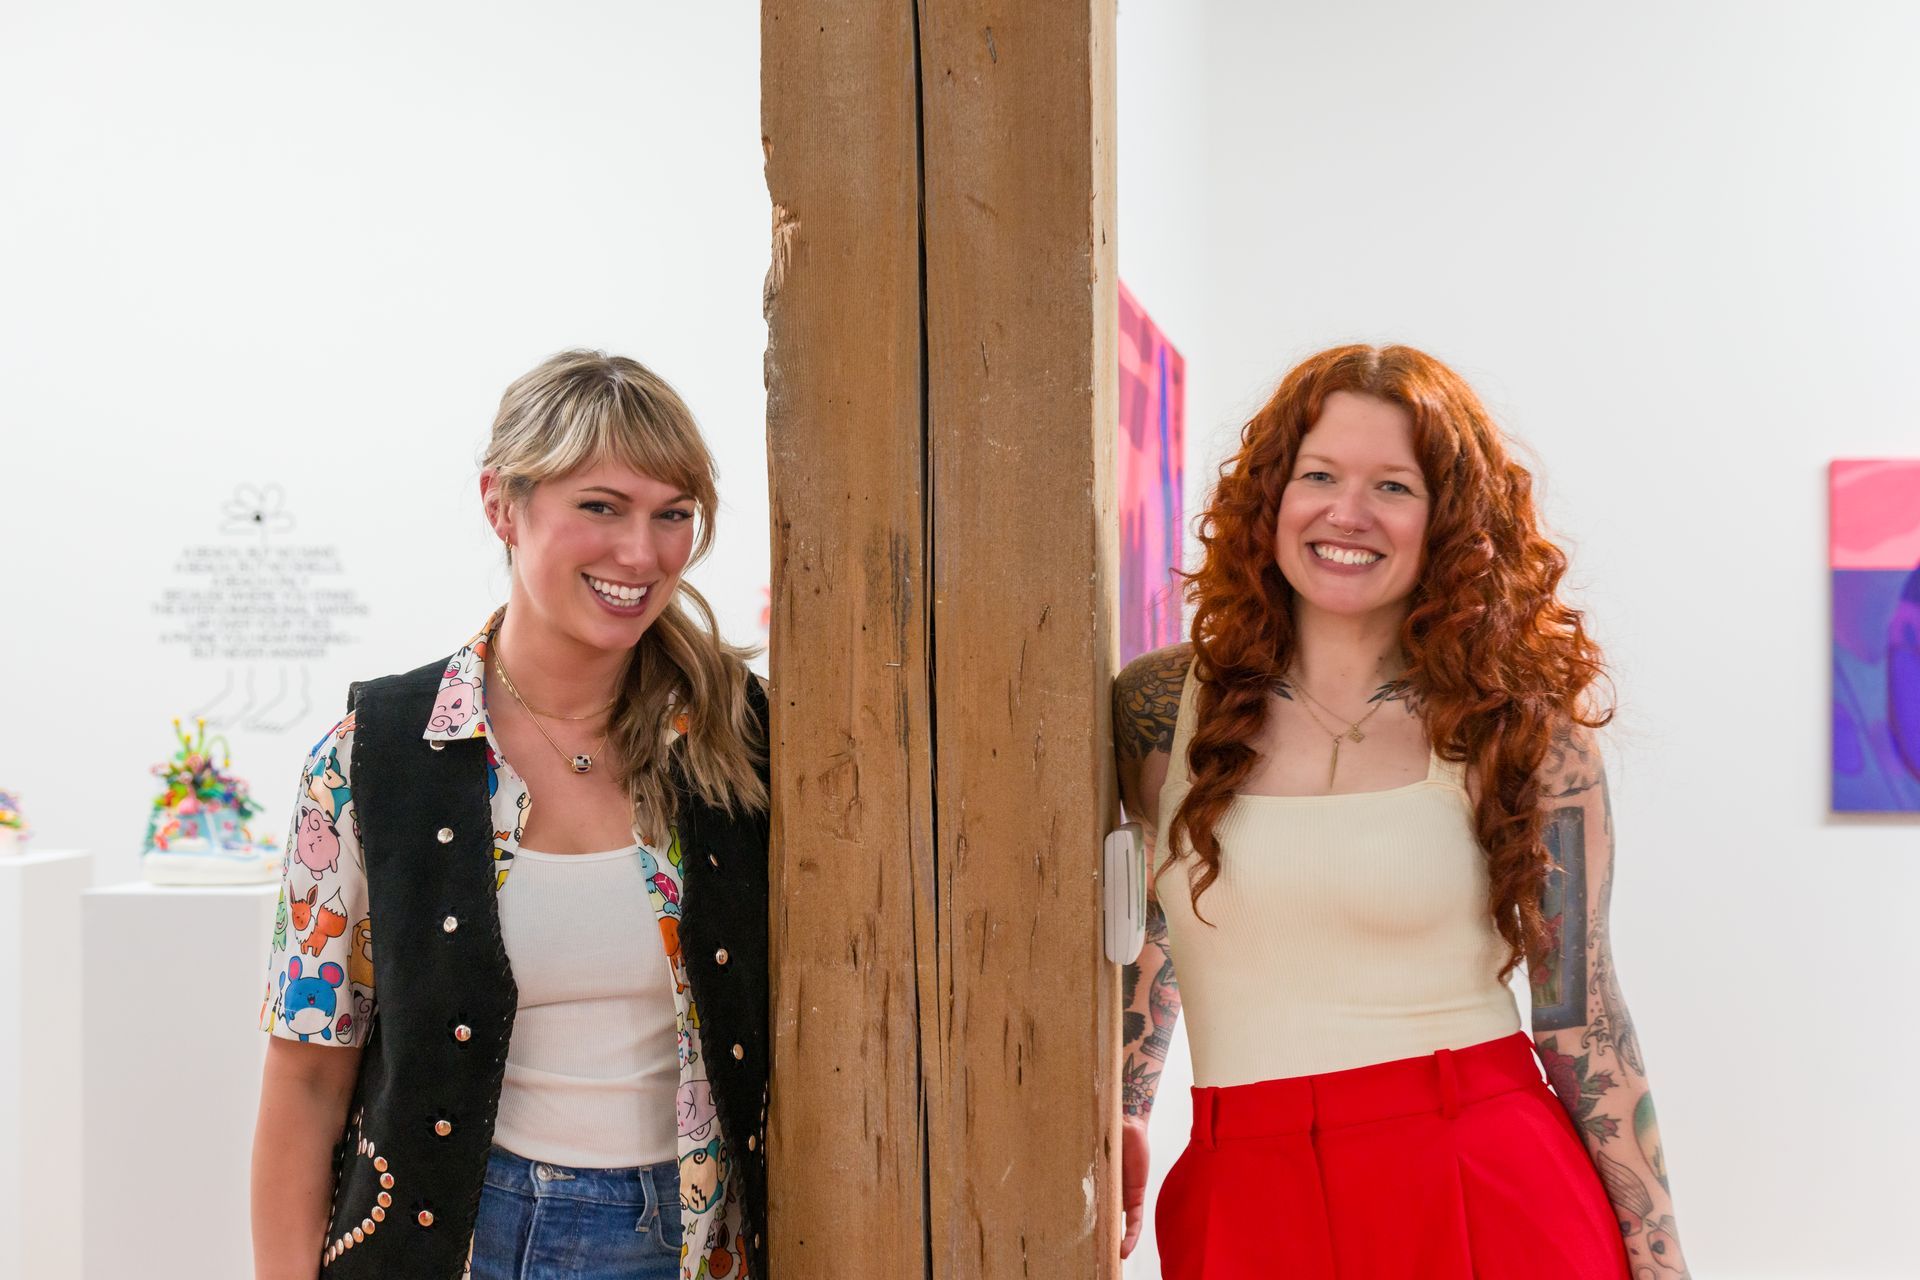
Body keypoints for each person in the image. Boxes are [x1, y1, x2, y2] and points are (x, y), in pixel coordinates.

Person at [1112, 344, 1688, 1278]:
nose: (1349, 513)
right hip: (1243, 1192)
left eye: (1394, 486)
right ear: (1271, 496)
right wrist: (1128, 1103)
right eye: (1320, 475)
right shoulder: (1156, 709)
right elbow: (1150, 918)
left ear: (1449, 520)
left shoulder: (1521, 728)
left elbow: (1584, 1019)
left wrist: (1662, 1260)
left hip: (1486, 1174)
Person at [249, 351, 772, 1280]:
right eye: (601, 507)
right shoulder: (371, 759)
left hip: (694, 1246)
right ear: (502, 503)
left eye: (673, 514)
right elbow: (307, 1078)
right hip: (454, 1241)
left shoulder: (741, 740)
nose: (641, 555)